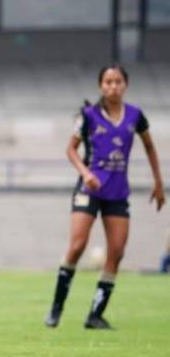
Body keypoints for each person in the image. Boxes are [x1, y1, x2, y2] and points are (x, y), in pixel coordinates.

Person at [45, 65, 164, 329]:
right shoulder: (88, 115)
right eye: (108, 82)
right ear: (101, 86)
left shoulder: (135, 116)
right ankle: (56, 308)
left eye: (118, 81)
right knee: (76, 247)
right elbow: (71, 149)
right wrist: (85, 173)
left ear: (125, 85)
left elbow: (150, 147)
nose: (113, 86)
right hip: (90, 189)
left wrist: (158, 182)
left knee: (117, 252)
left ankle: (95, 314)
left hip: (117, 192)